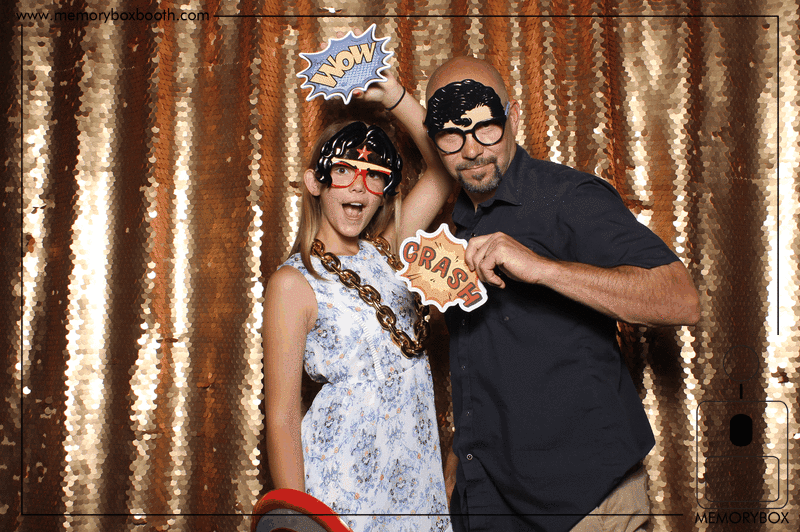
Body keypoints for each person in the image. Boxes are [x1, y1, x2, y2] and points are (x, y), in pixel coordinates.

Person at [423, 57, 701, 532]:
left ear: (512, 116)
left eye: (485, 127)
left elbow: (680, 298)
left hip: (583, 500)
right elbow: (486, 361)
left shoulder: (568, 196)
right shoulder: (455, 226)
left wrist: (543, 268)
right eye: (451, 134)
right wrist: (460, 462)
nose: (471, 150)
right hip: (492, 503)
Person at [264, 71, 454, 532]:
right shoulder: (293, 283)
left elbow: (443, 169)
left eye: (374, 176)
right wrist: (301, 524)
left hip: (414, 487)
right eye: (344, 170)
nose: (358, 187)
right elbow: (283, 417)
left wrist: (396, 97)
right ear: (315, 182)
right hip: (340, 491)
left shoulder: (391, 248)